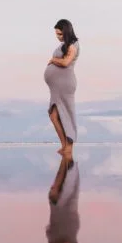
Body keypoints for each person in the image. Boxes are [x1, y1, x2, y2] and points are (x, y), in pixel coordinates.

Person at [46, 156, 83, 243]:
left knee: (69, 169)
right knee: (70, 170)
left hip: (61, 208)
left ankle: (67, 153)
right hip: (64, 209)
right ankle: (67, 153)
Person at [43, 19, 80, 157]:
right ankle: (64, 145)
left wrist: (53, 60)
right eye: (57, 34)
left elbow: (66, 62)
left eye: (60, 34)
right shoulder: (65, 45)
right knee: (53, 115)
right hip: (56, 88)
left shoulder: (73, 46)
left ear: (67, 31)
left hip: (65, 85)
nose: (58, 37)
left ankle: (69, 147)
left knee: (66, 114)